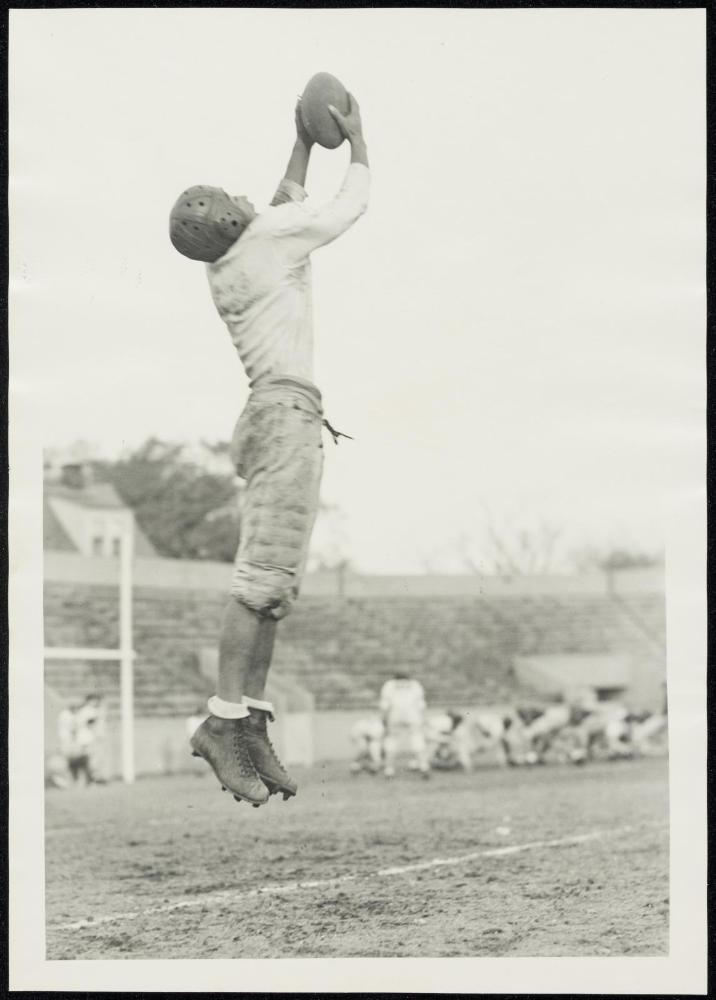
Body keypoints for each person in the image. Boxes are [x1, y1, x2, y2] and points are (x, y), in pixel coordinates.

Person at [169, 95, 370, 807]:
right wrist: (358, 142)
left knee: (275, 584)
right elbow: (346, 208)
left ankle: (248, 719)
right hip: (285, 414)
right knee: (260, 578)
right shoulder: (266, 240)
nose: (245, 195)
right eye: (232, 198)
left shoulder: (234, 256)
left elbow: (284, 204)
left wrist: (301, 144)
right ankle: (224, 721)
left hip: (277, 410)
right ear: (228, 219)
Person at [379, 672, 430, 779]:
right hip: (413, 716)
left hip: (395, 716)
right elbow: (421, 705)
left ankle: (389, 770)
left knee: (392, 741)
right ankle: (424, 767)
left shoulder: (389, 685)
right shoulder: (415, 684)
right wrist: (424, 719)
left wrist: (384, 720)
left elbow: (385, 706)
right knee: (417, 740)